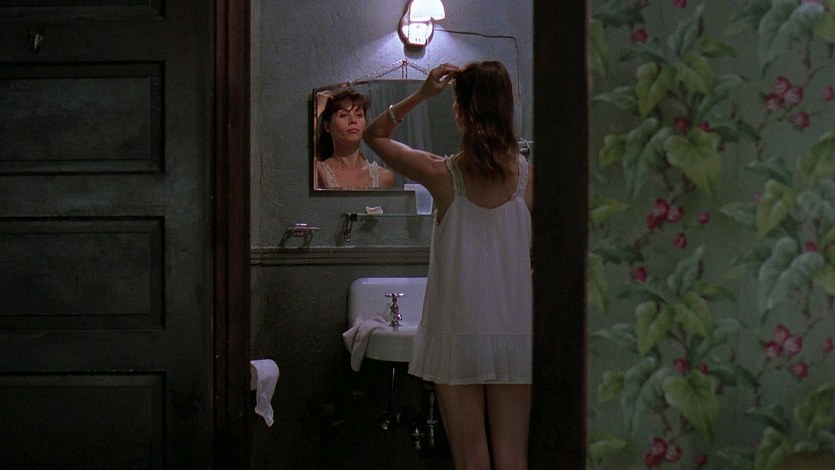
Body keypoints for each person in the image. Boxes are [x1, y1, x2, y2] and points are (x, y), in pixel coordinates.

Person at [363, 61, 534, 470]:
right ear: (507, 107)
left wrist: (422, 94)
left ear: (460, 111)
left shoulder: (442, 175)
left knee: (470, 460)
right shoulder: (528, 180)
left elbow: (373, 136)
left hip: (456, 331)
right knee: (514, 459)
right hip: (514, 332)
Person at [314, 89, 396, 189]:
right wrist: (317, 111)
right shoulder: (318, 171)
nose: (353, 120)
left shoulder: (383, 177)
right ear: (327, 126)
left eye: (359, 115)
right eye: (343, 115)